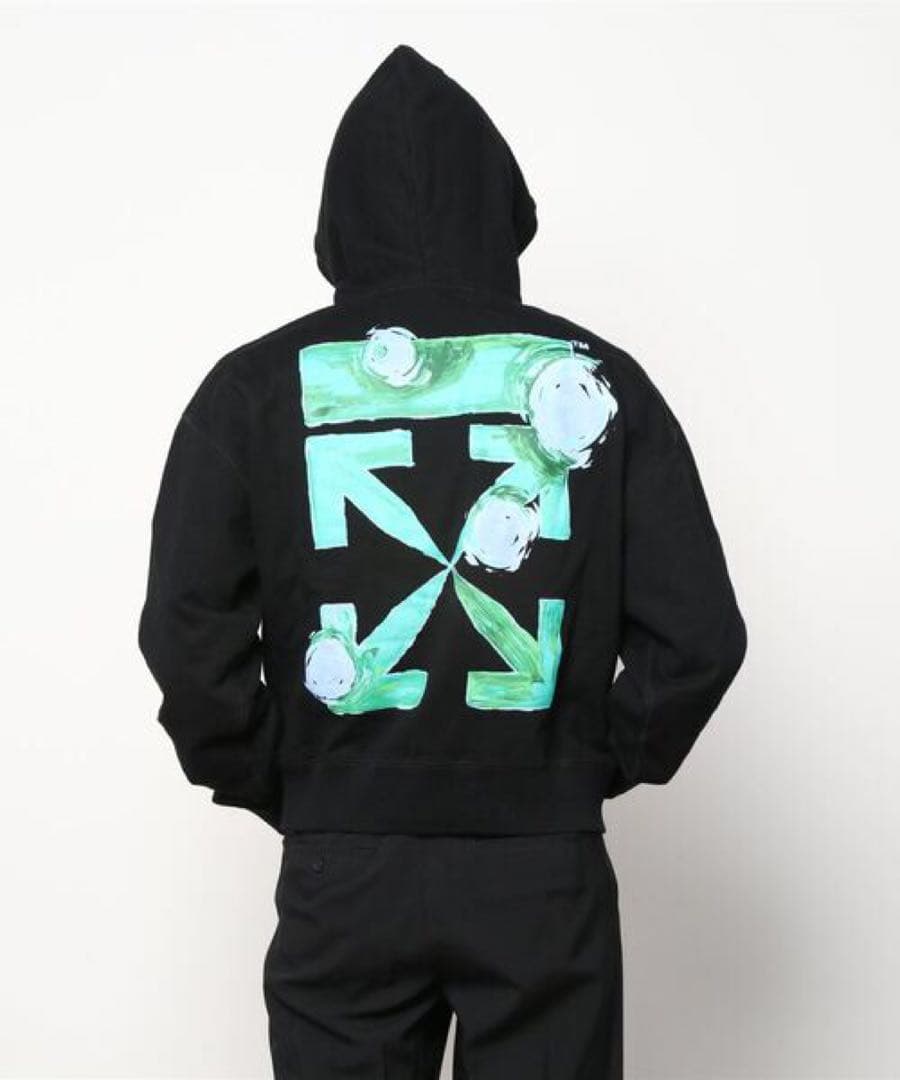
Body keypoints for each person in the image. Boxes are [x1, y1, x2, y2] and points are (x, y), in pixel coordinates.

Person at [138, 44, 746, 1080]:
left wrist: (302, 785)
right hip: (540, 874)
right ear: (501, 207)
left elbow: (188, 640)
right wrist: (573, 772)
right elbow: (698, 637)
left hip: (344, 872)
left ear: (336, 221)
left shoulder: (250, 392)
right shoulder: (599, 381)